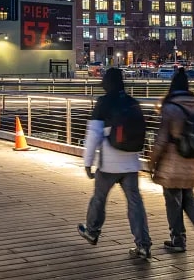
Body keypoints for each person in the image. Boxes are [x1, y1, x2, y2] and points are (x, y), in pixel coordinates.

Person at [77, 68, 152, 259]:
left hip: (109, 164)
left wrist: (88, 162)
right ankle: (143, 245)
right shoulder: (132, 102)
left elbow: (93, 134)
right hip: (131, 163)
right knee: (135, 203)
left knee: (99, 198)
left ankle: (92, 232)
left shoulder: (104, 102)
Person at [149, 67, 194, 253]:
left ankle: (178, 239)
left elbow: (161, 140)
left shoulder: (170, 108)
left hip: (172, 165)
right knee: (190, 200)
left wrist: (151, 163)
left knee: (173, 203)